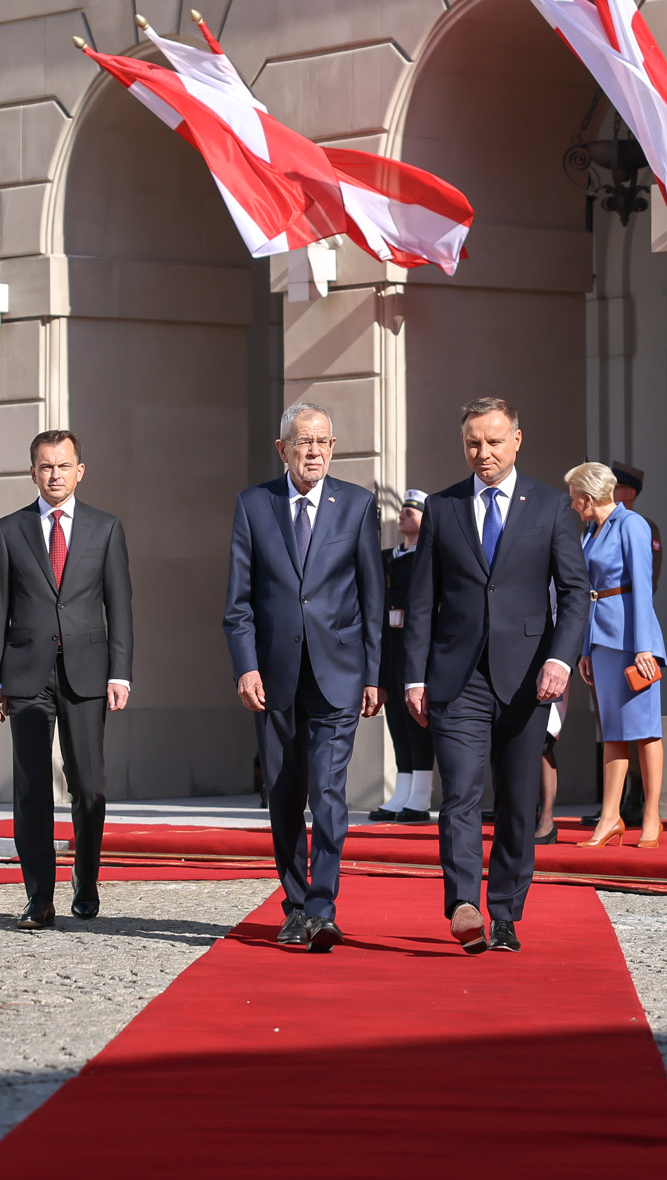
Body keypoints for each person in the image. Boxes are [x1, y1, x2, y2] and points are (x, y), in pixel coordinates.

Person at [403, 398, 589, 954]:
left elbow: (576, 593)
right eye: (472, 444)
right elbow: (421, 603)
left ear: (517, 440)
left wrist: (559, 659)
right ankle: (464, 903)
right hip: (457, 678)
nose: (482, 453)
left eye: (492, 441)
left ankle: (505, 912)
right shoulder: (443, 507)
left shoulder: (552, 507)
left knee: (517, 798)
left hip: (530, 677)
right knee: (459, 792)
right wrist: (414, 677)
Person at [222, 403, 384, 951]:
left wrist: (374, 674)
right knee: (286, 794)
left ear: (333, 447)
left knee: (330, 792)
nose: (313, 451)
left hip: (338, 673)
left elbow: (371, 598)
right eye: (302, 441)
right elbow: (238, 602)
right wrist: (245, 665)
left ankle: (322, 905)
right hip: (274, 677)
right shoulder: (253, 505)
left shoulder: (358, 506)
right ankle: (293, 906)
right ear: (282, 448)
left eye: (321, 442)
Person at [0, 430, 133, 931]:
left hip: (87, 674)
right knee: (31, 790)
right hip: (25, 676)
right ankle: (39, 897)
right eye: (45, 467)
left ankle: (85, 880)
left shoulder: (106, 528)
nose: (54, 475)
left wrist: (120, 671)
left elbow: (121, 607)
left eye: (63, 466)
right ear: (32, 472)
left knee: (88, 786)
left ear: (79, 470)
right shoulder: (8, 530)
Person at [566, 462, 667, 849]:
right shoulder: (590, 532)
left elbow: (642, 588)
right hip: (604, 641)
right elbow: (589, 592)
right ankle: (610, 817)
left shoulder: (632, 525)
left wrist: (645, 646)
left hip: (632, 640)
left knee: (644, 731)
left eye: (576, 497)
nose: (573, 504)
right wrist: (586, 648)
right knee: (613, 731)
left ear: (588, 497)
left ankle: (651, 816)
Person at [370, 489, 433, 823]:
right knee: (395, 716)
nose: (403, 515)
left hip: (415, 643)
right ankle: (403, 788)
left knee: (417, 719)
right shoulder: (388, 557)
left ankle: (421, 794)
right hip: (391, 643)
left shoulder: (427, 555)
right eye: (402, 510)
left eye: (412, 510)